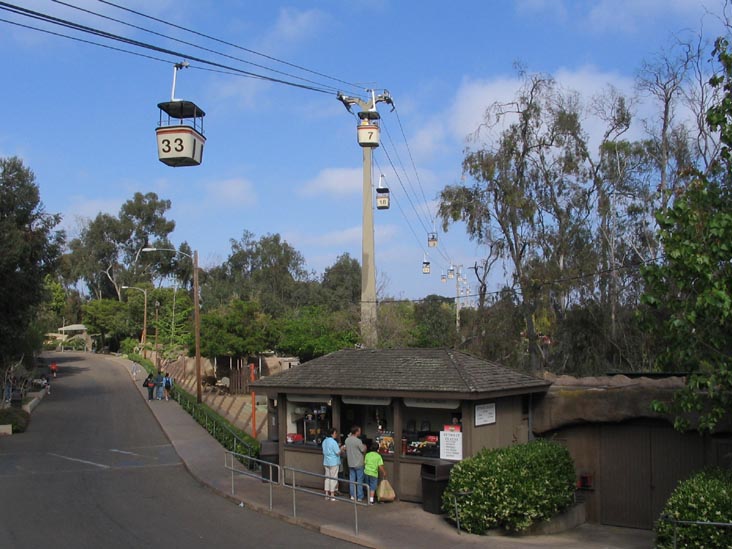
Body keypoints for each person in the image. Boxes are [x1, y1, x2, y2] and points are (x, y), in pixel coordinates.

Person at [345, 425, 367, 501]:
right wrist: (365, 447)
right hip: (359, 463)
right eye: (359, 431)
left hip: (350, 462)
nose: (360, 432)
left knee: (352, 480)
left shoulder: (347, 440)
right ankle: (360, 496)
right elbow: (363, 450)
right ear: (356, 432)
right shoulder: (358, 441)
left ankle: (352, 495)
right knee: (359, 480)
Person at [322, 428, 343, 501]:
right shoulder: (333, 442)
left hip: (326, 461)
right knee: (333, 478)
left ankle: (326, 494)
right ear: (332, 434)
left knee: (327, 477)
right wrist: (342, 448)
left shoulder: (324, 441)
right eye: (335, 433)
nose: (336, 435)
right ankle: (332, 495)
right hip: (333, 462)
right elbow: (337, 452)